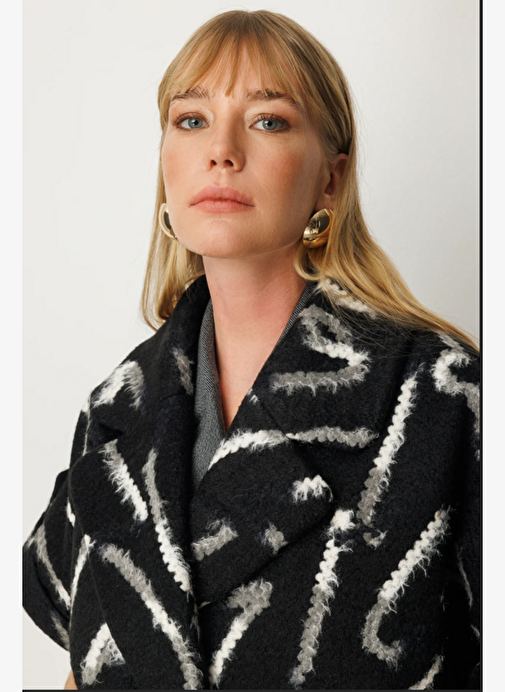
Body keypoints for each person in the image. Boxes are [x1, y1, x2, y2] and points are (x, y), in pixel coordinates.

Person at [23, 9, 480, 691]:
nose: (222, 150)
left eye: (268, 121)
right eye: (191, 119)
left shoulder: (442, 398)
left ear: (330, 178)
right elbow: (82, 669)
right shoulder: (115, 414)